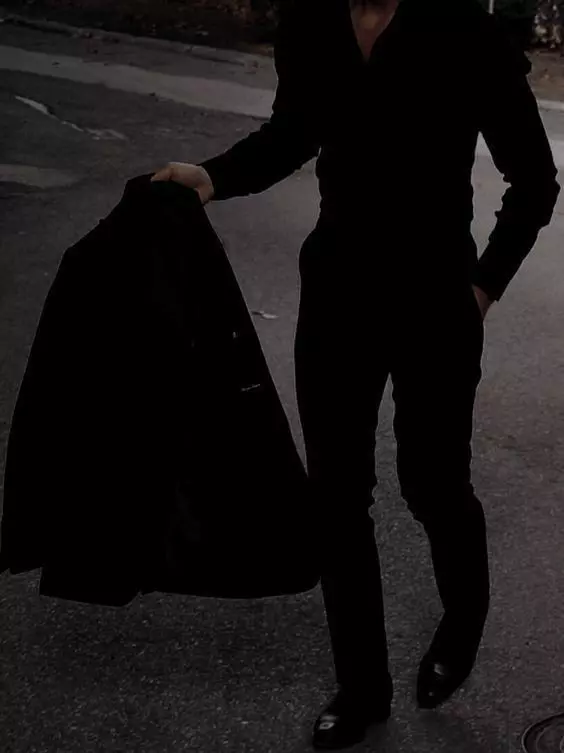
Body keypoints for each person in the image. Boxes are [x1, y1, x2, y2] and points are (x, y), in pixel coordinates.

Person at [151, 0, 560, 748]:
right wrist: (211, 177)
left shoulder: (464, 29)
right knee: (335, 496)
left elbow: (534, 180)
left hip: (436, 300)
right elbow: (293, 132)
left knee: (434, 484)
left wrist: (482, 287)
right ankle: (363, 687)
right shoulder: (313, 22)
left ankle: (463, 617)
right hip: (337, 294)